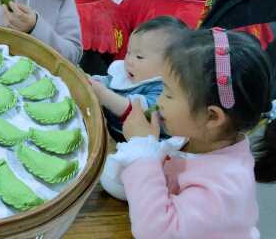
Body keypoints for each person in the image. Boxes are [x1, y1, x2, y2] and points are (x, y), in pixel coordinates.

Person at [101, 29, 275, 238]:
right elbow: (123, 185)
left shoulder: (225, 187)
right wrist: (145, 152)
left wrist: (140, 151)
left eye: (168, 94)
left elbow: (156, 232)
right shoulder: (192, 139)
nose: (159, 102)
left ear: (212, 117)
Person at [90, 16, 188, 142]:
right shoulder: (129, 72)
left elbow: (139, 112)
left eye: (139, 57)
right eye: (128, 52)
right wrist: (95, 81)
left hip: (141, 146)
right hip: (109, 133)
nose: (129, 61)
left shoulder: (165, 91)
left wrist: (103, 94)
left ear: (170, 66)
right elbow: (111, 81)